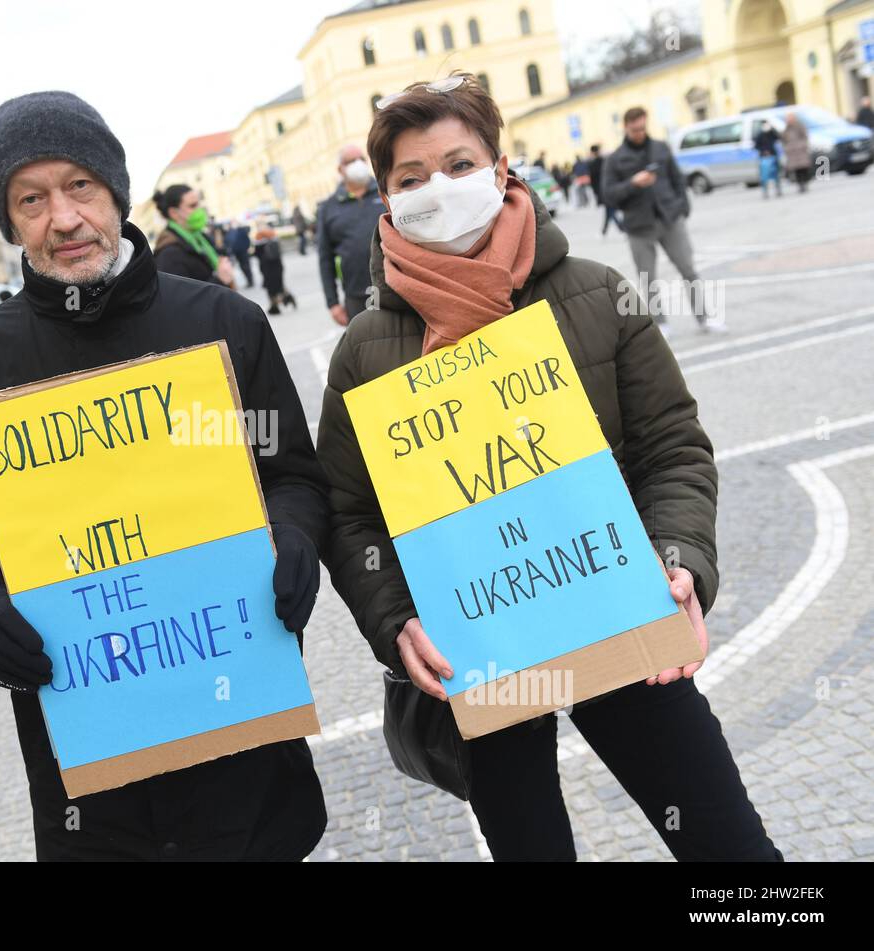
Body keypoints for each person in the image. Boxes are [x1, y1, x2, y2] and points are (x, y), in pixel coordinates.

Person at [316, 73, 781, 862]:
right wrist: (395, 619)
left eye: (460, 165)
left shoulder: (596, 292)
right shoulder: (365, 349)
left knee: (729, 850)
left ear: (501, 170)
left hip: (617, 611)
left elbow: (672, 445)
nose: (440, 188)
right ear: (386, 200)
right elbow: (347, 511)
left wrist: (679, 559)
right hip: (479, 651)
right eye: (411, 178)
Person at [0, 90, 328, 861]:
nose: (61, 219)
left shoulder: (222, 324)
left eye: (79, 187)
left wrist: (295, 537)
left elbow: (292, 476)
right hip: (89, 755)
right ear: (10, 223)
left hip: (236, 722)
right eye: (29, 199)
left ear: (115, 193)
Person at [603, 106, 719, 333]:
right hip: (639, 226)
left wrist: (682, 207)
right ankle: (661, 325)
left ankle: (704, 318)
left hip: (670, 218)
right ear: (626, 127)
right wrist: (633, 183)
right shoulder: (615, 159)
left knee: (689, 269)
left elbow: (677, 179)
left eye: (643, 128)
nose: (639, 133)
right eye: (635, 129)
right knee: (647, 278)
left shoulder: (660, 148)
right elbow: (608, 195)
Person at [316, 144, 386, 326]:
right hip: (356, 296)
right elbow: (325, 259)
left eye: (361, 159)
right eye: (351, 161)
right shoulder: (329, 207)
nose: (358, 164)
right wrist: (332, 303)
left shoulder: (385, 192)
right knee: (367, 349)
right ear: (341, 169)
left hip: (394, 288)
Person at [151, 185, 236, 287]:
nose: (200, 209)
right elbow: (179, 298)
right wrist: (219, 280)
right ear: (174, 213)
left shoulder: (200, 236)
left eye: (199, 204)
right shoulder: (169, 254)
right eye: (193, 206)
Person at [252, 224, 297, 315]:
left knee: (270, 288)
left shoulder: (259, 238)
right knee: (278, 285)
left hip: (267, 268)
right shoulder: (273, 235)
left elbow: (256, 253)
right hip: (277, 266)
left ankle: (275, 306)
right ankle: (286, 298)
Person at [588, 144, 624, 235]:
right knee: (609, 209)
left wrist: (595, 192)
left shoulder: (593, 164)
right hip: (609, 188)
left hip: (602, 191)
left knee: (610, 210)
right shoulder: (605, 161)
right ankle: (606, 230)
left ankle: (621, 228)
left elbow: (592, 180)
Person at [782, 112, 812, 194]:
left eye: (790, 118)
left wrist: (803, 145)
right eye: (787, 119)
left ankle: (805, 182)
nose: (788, 120)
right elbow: (783, 140)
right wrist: (787, 148)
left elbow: (805, 136)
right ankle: (800, 185)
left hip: (801, 151)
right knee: (796, 170)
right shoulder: (786, 129)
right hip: (792, 153)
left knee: (804, 168)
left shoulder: (799, 126)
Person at [753, 121, 783, 199]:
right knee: (764, 176)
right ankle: (765, 192)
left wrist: (772, 129)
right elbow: (756, 146)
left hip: (773, 156)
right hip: (764, 157)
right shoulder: (759, 135)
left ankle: (778, 190)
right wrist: (764, 151)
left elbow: (778, 137)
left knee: (776, 175)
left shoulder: (771, 134)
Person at [226, 222, 255, 288]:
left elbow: (247, 242)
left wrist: (244, 249)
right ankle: (250, 281)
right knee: (244, 267)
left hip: (242, 253)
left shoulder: (240, 232)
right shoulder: (235, 232)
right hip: (239, 253)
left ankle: (250, 282)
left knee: (246, 267)